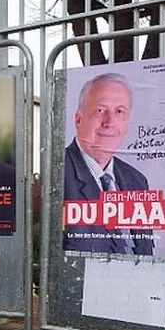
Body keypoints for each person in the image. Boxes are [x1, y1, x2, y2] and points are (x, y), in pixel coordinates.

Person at [63, 73, 153, 255]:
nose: (109, 122)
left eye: (119, 111)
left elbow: (145, 251)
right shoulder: (59, 173)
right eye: (100, 110)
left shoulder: (137, 181)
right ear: (78, 119)